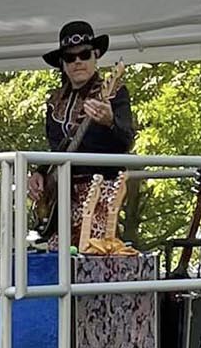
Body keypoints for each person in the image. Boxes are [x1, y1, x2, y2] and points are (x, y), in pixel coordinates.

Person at [27, 20, 137, 235]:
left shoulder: (115, 93)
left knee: (94, 256)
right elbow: (56, 149)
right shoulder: (54, 102)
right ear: (63, 64)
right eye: (70, 57)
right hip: (61, 197)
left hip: (101, 188)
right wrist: (40, 173)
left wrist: (110, 122)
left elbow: (127, 141)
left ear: (96, 56)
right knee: (58, 258)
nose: (78, 62)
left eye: (84, 55)